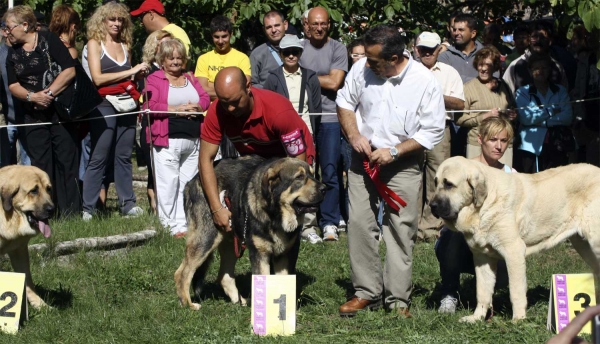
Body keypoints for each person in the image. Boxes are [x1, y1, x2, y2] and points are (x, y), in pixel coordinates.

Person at [336, 25, 445, 317]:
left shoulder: (424, 82)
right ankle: (366, 292)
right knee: (359, 224)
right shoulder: (361, 70)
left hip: (403, 163)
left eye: (373, 61)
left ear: (395, 57)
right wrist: (354, 136)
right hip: (363, 160)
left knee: (401, 228)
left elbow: (432, 131)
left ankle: (398, 300)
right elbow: (344, 103)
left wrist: (395, 151)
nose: (366, 65)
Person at [199, 67, 315, 232]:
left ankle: (306, 230)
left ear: (248, 86)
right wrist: (217, 209)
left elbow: (298, 162)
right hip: (257, 164)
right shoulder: (217, 111)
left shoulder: (279, 111)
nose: (230, 109)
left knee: (288, 226)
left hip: (291, 161)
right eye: (225, 103)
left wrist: (292, 202)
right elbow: (205, 159)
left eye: (235, 101)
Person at [4, 5, 80, 217]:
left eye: (9, 26)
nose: (7, 31)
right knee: (41, 165)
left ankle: (71, 213)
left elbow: (69, 69)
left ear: (25, 25)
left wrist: (47, 93)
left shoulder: (49, 41)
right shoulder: (13, 52)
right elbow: (12, 85)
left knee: (67, 161)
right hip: (31, 115)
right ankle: (46, 213)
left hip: (60, 112)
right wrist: (32, 97)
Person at [435, 116, 514, 314]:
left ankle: (488, 299)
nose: (498, 146)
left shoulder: (511, 175)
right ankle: (449, 293)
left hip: (493, 241)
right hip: (462, 239)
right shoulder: (462, 170)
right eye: (493, 140)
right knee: (452, 235)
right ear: (480, 140)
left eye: (503, 141)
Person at [82, 1, 149, 220]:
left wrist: (137, 75)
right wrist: (131, 70)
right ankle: (88, 208)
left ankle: (127, 204)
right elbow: (98, 78)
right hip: (103, 103)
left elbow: (128, 77)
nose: (117, 23)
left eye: (121, 20)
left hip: (126, 102)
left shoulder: (126, 45)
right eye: (112, 19)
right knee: (99, 155)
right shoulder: (94, 43)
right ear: (102, 20)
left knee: (123, 156)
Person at [144, 39, 210, 237]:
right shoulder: (155, 79)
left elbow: (205, 98)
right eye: (171, 58)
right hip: (166, 139)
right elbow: (150, 105)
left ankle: (183, 224)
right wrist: (175, 110)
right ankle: (168, 225)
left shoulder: (190, 77)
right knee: (168, 183)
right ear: (162, 60)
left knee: (187, 183)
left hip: (193, 140)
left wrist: (198, 107)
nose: (175, 61)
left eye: (179, 58)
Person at [263, 35, 323, 244]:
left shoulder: (311, 76)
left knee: (308, 178)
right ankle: (281, 222)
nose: (291, 55)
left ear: (300, 53)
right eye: (286, 52)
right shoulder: (272, 78)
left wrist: (311, 135)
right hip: (281, 137)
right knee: (285, 181)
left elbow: (316, 108)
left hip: (305, 134)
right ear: (280, 54)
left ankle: (308, 225)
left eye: (295, 52)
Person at [299, 6, 348, 242]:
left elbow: (334, 82)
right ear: (307, 25)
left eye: (323, 24)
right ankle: (307, 223)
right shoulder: (299, 47)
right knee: (305, 171)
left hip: (330, 118)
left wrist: (304, 78)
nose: (319, 28)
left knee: (329, 172)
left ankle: (330, 221)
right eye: (314, 24)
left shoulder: (338, 48)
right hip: (304, 118)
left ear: (329, 24)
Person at [415, 31, 465, 240]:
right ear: (416, 50)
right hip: (411, 130)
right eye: (423, 49)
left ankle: (431, 227)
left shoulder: (449, 72)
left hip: (439, 128)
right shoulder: (407, 71)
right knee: (412, 177)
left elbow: (459, 103)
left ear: (439, 50)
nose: (427, 53)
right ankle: (410, 226)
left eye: (431, 49)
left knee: (438, 177)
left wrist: (434, 93)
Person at [457, 46, 517, 167]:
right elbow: (459, 119)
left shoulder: (503, 85)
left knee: (504, 182)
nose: (483, 69)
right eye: (480, 65)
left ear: (495, 67)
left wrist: (512, 115)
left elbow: (513, 108)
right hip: (477, 145)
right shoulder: (469, 87)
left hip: (504, 145)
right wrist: (484, 116)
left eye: (488, 65)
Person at [514, 54, 573, 173]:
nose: (540, 71)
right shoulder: (522, 92)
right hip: (530, 147)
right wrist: (551, 111)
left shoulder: (560, 90)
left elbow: (567, 117)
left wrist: (542, 122)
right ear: (530, 71)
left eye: (544, 68)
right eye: (536, 68)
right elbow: (525, 118)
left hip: (558, 144)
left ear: (550, 70)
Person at [137, 29, 172, 213]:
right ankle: (155, 206)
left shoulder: (176, 68)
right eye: (162, 43)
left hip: (171, 124)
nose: (167, 47)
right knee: (153, 169)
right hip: (151, 124)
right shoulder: (146, 69)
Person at [503, 21, 569, 95]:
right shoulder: (515, 66)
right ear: (529, 39)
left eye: (542, 37)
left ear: (550, 41)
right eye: (534, 37)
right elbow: (506, 94)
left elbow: (564, 97)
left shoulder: (557, 67)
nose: (538, 41)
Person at [194, 15, 251, 101]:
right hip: (209, 110)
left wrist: (211, 85)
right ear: (211, 36)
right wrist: (230, 88)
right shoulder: (203, 59)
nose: (220, 41)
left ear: (231, 34)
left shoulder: (242, 58)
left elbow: (243, 90)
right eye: (216, 37)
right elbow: (201, 91)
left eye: (224, 36)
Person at [0, 28, 29, 167]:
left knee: (28, 166)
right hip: (6, 119)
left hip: (28, 117)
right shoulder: (1, 54)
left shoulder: (27, 52)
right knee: (5, 166)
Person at [438, 13, 493, 84]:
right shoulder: (445, 56)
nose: (456, 33)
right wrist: (480, 81)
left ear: (473, 33)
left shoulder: (487, 55)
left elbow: (493, 80)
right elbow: (445, 79)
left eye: (461, 30)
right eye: (454, 30)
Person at [250, 10, 288, 88]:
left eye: (277, 25)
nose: (273, 30)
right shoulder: (257, 55)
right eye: (269, 27)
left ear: (285, 25)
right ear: (264, 30)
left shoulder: (299, 49)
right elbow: (252, 84)